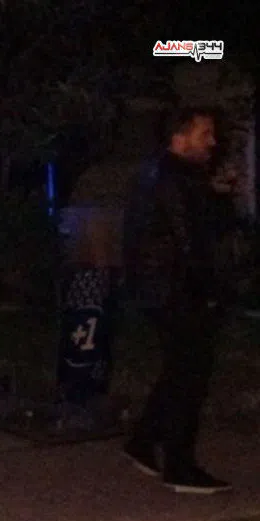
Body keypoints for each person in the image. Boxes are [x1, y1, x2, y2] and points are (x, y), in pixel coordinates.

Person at [120, 107, 231, 494]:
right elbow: (191, 242)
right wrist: (209, 292)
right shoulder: (174, 180)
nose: (212, 142)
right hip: (177, 290)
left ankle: (143, 441)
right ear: (179, 138)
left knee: (179, 370)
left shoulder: (163, 174)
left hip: (161, 288)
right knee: (190, 376)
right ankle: (179, 465)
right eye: (204, 134)